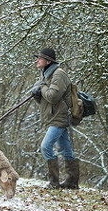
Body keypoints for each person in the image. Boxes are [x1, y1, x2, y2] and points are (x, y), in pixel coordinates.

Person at [31, 47, 80, 190]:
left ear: (47, 61)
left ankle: (54, 182)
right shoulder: (46, 74)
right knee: (66, 149)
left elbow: (52, 96)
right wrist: (37, 94)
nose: (37, 60)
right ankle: (72, 181)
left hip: (59, 118)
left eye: (39, 58)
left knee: (45, 147)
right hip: (54, 117)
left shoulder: (58, 74)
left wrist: (41, 88)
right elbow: (46, 100)